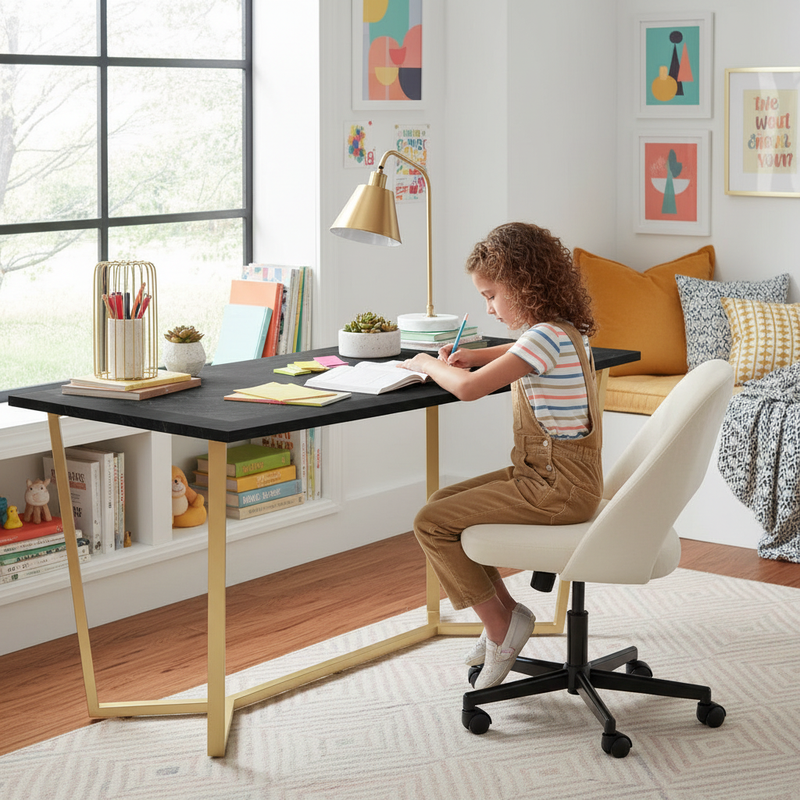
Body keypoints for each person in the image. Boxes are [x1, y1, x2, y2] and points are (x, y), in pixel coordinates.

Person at [400, 222, 603, 690]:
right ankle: (508, 615)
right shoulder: (561, 333)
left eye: (492, 295)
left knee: (432, 521)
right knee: (445, 503)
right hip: (559, 480)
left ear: (524, 285)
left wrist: (427, 363)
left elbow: (469, 391)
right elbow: (517, 352)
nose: (487, 307)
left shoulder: (542, 339)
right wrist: (477, 354)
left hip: (554, 489)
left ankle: (499, 625)